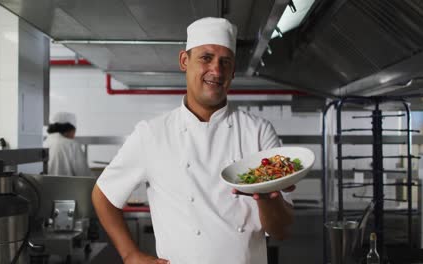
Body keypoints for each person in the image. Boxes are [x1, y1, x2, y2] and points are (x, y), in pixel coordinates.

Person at [92, 17, 295, 264]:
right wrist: (130, 255)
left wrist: (264, 198)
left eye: (225, 62)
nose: (216, 70)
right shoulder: (152, 133)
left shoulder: (259, 132)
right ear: (184, 61)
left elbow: (281, 231)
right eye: (206, 58)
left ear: (232, 71)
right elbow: (103, 195)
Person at [44, 112, 92, 176]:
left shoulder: (45, 142)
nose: (74, 135)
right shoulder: (72, 144)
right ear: (70, 129)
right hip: (68, 185)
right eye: (74, 131)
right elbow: (84, 174)